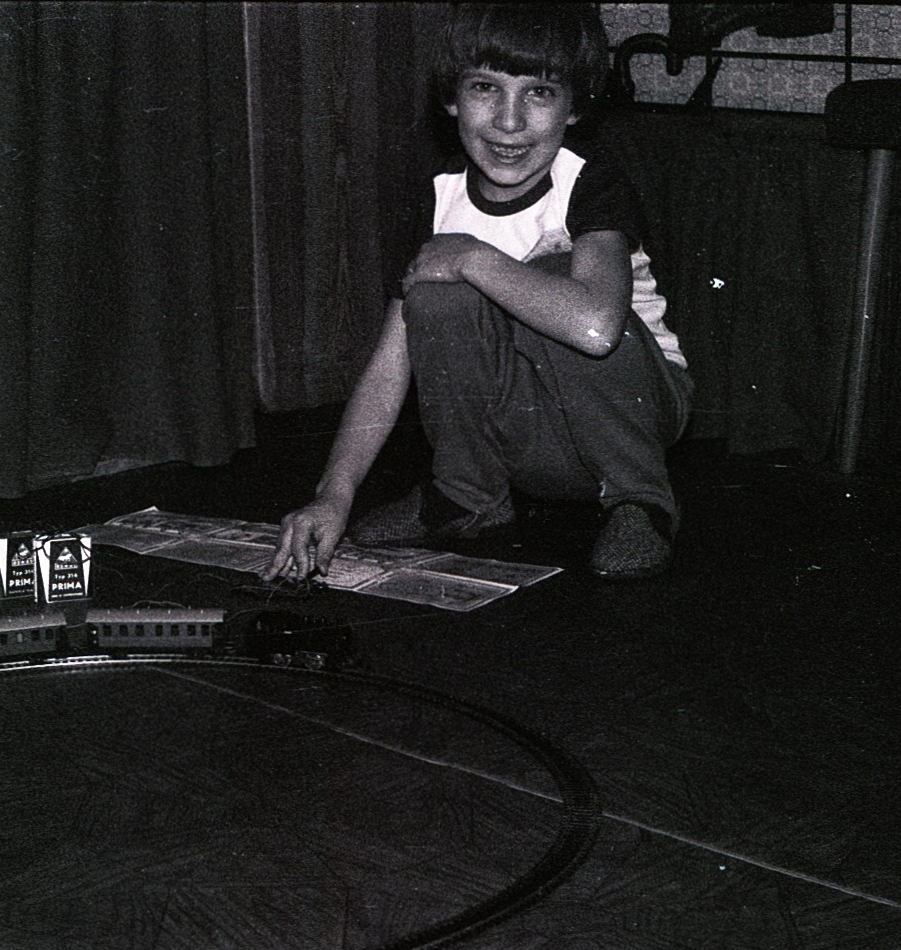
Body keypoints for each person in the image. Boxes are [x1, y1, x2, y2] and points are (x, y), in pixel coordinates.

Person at [263, 2, 692, 584]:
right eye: (486, 87)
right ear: (450, 99)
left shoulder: (588, 182)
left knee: (557, 272)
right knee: (434, 295)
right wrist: (334, 495)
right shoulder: (439, 200)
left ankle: (641, 502)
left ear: (575, 108)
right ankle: (467, 496)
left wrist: (471, 256)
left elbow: (595, 328)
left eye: (539, 93)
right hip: (530, 438)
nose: (509, 121)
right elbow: (389, 369)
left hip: (629, 417)